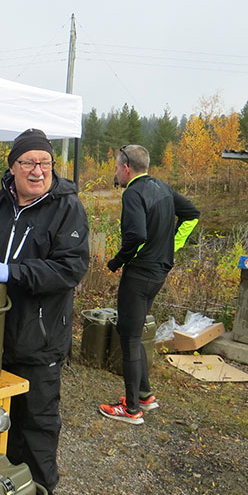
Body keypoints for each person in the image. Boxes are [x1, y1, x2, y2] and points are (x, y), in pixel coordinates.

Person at [0, 128, 89, 495]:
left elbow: (70, 268)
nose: (38, 171)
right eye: (29, 163)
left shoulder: (67, 207)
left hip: (40, 335)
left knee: (36, 421)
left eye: (45, 163)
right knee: (1, 417)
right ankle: (4, 482)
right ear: (13, 166)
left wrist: (11, 272)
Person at [99, 144, 200, 425]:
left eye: (117, 167)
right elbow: (192, 213)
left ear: (127, 168)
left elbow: (136, 235)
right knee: (134, 330)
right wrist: (172, 246)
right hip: (159, 272)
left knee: (129, 337)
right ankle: (144, 394)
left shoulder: (133, 192)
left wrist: (117, 261)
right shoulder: (163, 188)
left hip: (140, 273)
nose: (116, 172)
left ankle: (131, 410)